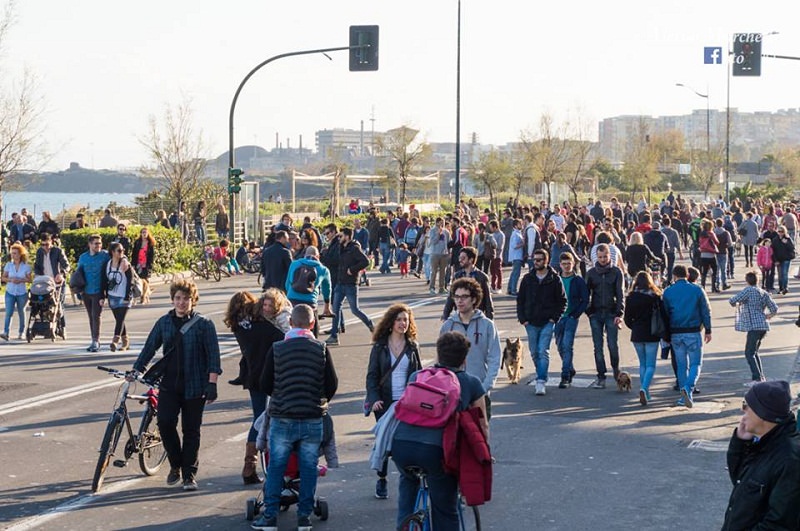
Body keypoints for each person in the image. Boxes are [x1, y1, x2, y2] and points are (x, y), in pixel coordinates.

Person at [251, 304, 338, 531]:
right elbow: (332, 384)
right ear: (312, 324)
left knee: (277, 466)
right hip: (311, 418)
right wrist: (317, 400)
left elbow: (265, 383)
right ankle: (304, 517)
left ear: (290, 323)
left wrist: (281, 396)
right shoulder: (320, 348)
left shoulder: (277, 348)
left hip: (283, 417)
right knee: (309, 467)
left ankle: (269, 516)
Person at [392, 332, 488, 531]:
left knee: (407, 482)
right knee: (445, 510)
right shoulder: (471, 383)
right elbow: (482, 426)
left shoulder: (417, 376)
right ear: (464, 359)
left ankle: (404, 524)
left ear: (438, 355)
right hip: (435, 452)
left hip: (401, 444)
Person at [130, 279, 220, 491]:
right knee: (165, 423)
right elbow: (149, 348)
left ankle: (189, 474)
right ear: (172, 299)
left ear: (193, 300)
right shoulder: (164, 322)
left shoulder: (204, 324)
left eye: (186, 299)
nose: (181, 302)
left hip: (196, 385)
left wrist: (212, 384)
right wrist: (137, 369)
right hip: (169, 384)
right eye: (178, 298)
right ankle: (175, 464)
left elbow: (213, 357)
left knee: (191, 430)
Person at [224, 291, 284, 485]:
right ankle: (269, 465)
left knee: (258, 417)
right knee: (273, 418)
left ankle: (250, 465)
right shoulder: (263, 325)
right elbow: (282, 337)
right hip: (271, 375)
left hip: (252, 377)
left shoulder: (238, 327)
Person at [722, 380, 800, 530]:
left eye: (746, 406)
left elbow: (779, 524)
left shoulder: (790, 459)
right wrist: (740, 444)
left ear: (762, 413)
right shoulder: (764, 441)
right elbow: (741, 482)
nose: (743, 412)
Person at [365, 303, 423, 500]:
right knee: (384, 439)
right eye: (399, 319)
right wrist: (374, 399)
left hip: (407, 403)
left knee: (404, 441)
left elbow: (420, 375)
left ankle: (409, 478)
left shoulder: (412, 346)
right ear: (391, 323)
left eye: (405, 320)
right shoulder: (380, 346)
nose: (402, 323)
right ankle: (382, 478)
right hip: (384, 402)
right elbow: (372, 376)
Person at [440, 278, 501, 407]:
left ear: (474, 299)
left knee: (481, 427)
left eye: (464, 297)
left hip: (479, 392)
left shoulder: (487, 325)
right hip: (452, 393)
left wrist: (485, 387)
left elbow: (494, 357)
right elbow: (440, 360)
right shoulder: (448, 325)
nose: (459, 300)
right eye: (456, 297)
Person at [516, 248, 567, 396]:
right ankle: (541, 373)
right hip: (530, 321)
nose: (536, 262)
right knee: (534, 352)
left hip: (547, 321)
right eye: (534, 260)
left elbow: (563, 301)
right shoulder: (527, 279)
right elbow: (521, 300)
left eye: (539, 260)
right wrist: (523, 319)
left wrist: (554, 318)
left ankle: (541, 380)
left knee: (542, 351)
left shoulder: (554, 279)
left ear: (546, 261)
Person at [662, 264, 712, 408]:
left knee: (681, 365)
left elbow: (665, 314)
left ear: (674, 276)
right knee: (696, 363)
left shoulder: (668, 292)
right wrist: (708, 330)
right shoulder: (697, 290)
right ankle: (688, 388)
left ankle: (683, 394)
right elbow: (705, 311)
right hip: (693, 331)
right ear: (688, 275)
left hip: (676, 332)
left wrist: (666, 334)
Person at [624, 271, 667, 406]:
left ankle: (646, 392)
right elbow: (663, 315)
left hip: (637, 333)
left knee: (642, 364)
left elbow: (627, 318)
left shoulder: (631, 297)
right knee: (651, 365)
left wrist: (634, 326)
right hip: (652, 333)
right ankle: (644, 389)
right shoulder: (655, 296)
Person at [585, 244, 625, 388]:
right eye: (600, 257)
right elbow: (586, 294)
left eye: (605, 257)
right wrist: (589, 311)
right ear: (597, 256)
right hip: (595, 314)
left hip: (611, 313)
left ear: (609, 256)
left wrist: (619, 313)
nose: (602, 260)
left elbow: (620, 294)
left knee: (612, 345)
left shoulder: (616, 272)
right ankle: (601, 376)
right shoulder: (591, 273)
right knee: (598, 346)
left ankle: (615, 369)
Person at [326, 228, 374, 346]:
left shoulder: (354, 248)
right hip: (340, 282)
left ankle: (372, 326)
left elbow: (365, 262)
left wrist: (352, 270)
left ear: (347, 237)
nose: (339, 238)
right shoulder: (341, 248)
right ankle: (334, 336)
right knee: (335, 309)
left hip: (350, 284)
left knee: (355, 310)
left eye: (341, 236)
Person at [728, 271, 779, 384]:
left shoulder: (748, 290)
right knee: (754, 352)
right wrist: (768, 316)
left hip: (754, 326)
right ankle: (760, 376)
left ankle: (757, 378)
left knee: (749, 353)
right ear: (758, 280)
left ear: (747, 280)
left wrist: (739, 303)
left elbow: (733, 300)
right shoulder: (763, 292)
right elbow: (774, 308)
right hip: (763, 325)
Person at [554, 252, 589, 389]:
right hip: (558, 317)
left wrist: (576, 314)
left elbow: (585, 299)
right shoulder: (556, 279)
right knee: (559, 345)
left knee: (567, 345)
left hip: (571, 317)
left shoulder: (578, 280)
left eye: (569, 263)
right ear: (560, 265)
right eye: (564, 264)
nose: (567, 266)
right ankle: (570, 368)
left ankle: (565, 376)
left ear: (573, 264)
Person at [284, 246, 332, 338]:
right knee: (312, 325)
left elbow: (287, 283)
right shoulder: (323, 269)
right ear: (318, 256)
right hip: (310, 302)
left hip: (292, 300)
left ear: (305, 254)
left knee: (291, 325)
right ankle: (313, 342)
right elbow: (327, 290)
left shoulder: (294, 264)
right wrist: (327, 307)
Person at [441, 246, 493, 321]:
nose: (460, 260)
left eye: (463, 258)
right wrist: (445, 315)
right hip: (460, 316)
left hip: (476, 316)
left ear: (471, 260)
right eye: (460, 258)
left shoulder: (481, 277)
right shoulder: (458, 275)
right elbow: (451, 297)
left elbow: (488, 300)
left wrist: (490, 319)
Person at [77, 234, 110, 352]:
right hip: (86, 291)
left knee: (96, 315)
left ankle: (96, 340)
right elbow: (78, 273)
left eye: (100, 243)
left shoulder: (105, 255)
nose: (98, 246)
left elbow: (119, 256)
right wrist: (78, 290)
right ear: (90, 244)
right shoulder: (83, 257)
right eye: (96, 243)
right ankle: (93, 339)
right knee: (91, 316)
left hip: (98, 291)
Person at [33, 233, 69, 337]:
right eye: (43, 244)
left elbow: (66, 265)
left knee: (59, 305)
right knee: (43, 305)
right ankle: (46, 327)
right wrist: (37, 275)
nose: (45, 247)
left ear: (51, 242)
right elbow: (37, 266)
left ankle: (63, 327)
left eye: (47, 244)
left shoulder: (57, 251)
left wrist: (62, 274)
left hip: (57, 283)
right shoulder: (39, 252)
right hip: (45, 283)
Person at [104, 242, 133, 352]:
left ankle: (115, 341)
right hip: (113, 296)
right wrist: (105, 295)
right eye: (119, 251)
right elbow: (105, 280)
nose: (122, 253)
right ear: (112, 252)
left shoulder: (125, 263)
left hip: (124, 296)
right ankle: (125, 341)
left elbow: (130, 280)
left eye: (123, 250)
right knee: (119, 320)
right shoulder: (108, 264)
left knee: (120, 319)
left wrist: (127, 295)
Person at [1, 243, 32, 341]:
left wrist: (21, 280)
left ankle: (21, 332)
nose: (13, 255)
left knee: (21, 312)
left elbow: (29, 280)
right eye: (12, 253)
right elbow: (3, 277)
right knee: (8, 312)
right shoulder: (9, 265)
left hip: (21, 292)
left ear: (20, 254)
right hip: (10, 291)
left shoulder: (26, 266)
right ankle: (6, 332)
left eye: (15, 253)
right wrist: (10, 280)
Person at [131, 227, 155, 304]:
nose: (144, 234)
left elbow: (151, 256)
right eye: (143, 232)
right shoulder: (137, 242)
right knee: (137, 281)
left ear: (148, 234)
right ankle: (137, 296)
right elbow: (134, 254)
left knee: (145, 281)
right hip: (138, 264)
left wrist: (149, 265)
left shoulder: (150, 243)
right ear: (141, 234)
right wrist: (133, 264)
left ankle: (144, 297)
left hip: (146, 265)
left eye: (145, 232)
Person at [428, 217, 451, 294]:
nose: (442, 224)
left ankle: (442, 287)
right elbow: (432, 242)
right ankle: (432, 287)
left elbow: (448, 242)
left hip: (444, 254)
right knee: (434, 271)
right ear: (437, 222)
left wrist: (449, 252)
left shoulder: (446, 231)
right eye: (441, 222)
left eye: (443, 222)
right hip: (435, 253)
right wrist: (438, 234)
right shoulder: (432, 230)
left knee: (443, 272)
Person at [771, 226, 795, 295]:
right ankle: (781, 288)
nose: (780, 233)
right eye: (779, 231)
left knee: (784, 273)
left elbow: (792, 248)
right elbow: (773, 251)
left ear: (784, 232)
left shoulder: (788, 239)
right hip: (778, 259)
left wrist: (786, 243)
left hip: (786, 259)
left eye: (782, 231)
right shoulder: (775, 239)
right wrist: (775, 260)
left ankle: (785, 288)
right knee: (780, 275)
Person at [506, 219, 525, 296]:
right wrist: (523, 244)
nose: (521, 225)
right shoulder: (515, 234)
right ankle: (513, 290)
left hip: (517, 256)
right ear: (515, 226)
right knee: (516, 274)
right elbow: (514, 246)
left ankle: (510, 289)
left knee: (514, 273)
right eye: (520, 224)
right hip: (516, 256)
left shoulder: (518, 233)